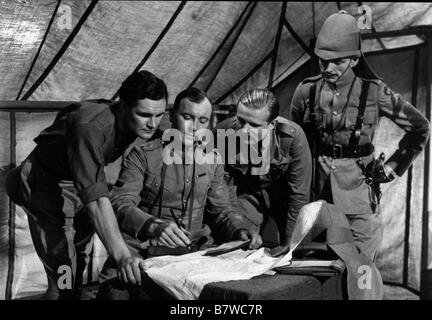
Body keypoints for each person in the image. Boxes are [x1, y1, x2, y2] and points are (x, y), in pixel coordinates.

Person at [290, 11, 430, 297]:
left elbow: (420, 128)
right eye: (323, 60)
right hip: (317, 195)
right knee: (316, 272)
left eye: (338, 61)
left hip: (357, 194)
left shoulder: (374, 91)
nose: (328, 67)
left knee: (362, 271)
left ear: (354, 59)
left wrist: (392, 168)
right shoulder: (306, 91)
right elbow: (297, 141)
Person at [5, 70, 169, 299]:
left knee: (79, 257)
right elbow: (95, 198)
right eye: (144, 115)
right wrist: (122, 255)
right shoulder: (89, 127)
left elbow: (177, 129)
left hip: (78, 184)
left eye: (159, 114)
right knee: (62, 267)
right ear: (122, 106)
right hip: (44, 186)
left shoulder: (147, 118)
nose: (153, 124)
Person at [97, 87, 262, 299]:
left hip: (193, 255)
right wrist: (152, 226)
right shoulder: (143, 156)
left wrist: (241, 229)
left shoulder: (212, 160)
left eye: (203, 121)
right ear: (172, 115)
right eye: (188, 117)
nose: (194, 127)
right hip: (143, 252)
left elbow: (222, 209)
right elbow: (120, 203)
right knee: (115, 289)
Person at [216, 88, 312, 254]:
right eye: (241, 120)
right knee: (240, 245)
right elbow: (225, 189)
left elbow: (299, 195)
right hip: (247, 196)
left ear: (272, 124)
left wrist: (290, 247)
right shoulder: (224, 133)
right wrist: (239, 226)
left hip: (284, 199)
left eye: (254, 125)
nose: (244, 130)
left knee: (293, 251)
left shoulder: (292, 138)